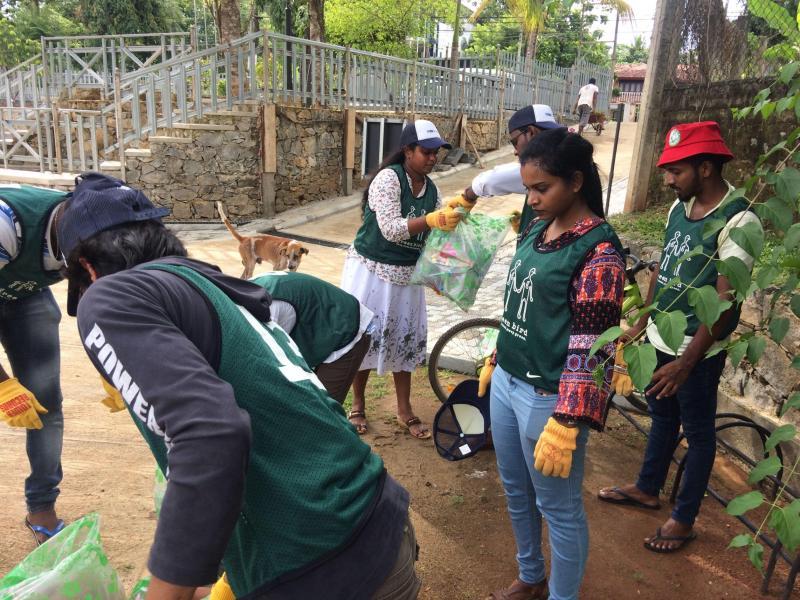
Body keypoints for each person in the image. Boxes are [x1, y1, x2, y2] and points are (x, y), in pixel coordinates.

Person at [59, 172, 419, 600]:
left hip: (320, 563)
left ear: (88, 267)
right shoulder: (216, 285)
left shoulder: (110, 295)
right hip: (378, 520)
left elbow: (210, 435)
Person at [598, 121, 763, 553]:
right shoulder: (679, 209)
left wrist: (686, 363)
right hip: (661, 338)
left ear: (706, 168)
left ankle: (684, 518)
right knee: (663, 417)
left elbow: (725, 304)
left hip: (696, 353)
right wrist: (642, 322)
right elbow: (664, 270)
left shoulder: (739, 220)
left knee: (699, 432)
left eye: (676, 170)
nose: (668, 180)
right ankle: (647, 488)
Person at [479, 129, 625, 600]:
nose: (533, 199)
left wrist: (569, 418)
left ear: (576, 182)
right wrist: (498, 355)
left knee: (558, 508)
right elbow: (521, 304)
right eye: (528, 189)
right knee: (516, 490)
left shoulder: (599, 252)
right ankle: (530, 576)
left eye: (542, 188)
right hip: (508, 381)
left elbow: (593, 346)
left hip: (549, 399)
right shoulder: (537, 229)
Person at [343, 120, 462, 438]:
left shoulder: (432, 190)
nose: (432, 158)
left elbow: (435, 237)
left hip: (406, 273)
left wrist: (442, 272)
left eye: (436, 153)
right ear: (408, 151)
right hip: (371, 270)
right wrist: (432, 219)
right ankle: (358, 404)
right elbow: (391, 230)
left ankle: (404, 409)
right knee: (365, 336)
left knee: (405, 336)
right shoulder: (388, 179)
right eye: (426, 152)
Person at [0, 183, 69, 545]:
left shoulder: (96, 243)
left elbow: (97, 298)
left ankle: (41, 507)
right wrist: (2, 385)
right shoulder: (5, 224)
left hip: (24, 294)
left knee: (46, 405)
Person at [252, 270, 376, 403]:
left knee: (322, 406)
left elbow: (267, 370)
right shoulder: (242, 296)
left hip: (345, 327)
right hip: (313, 324)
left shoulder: (265, 312)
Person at [449, 104, 562, 239]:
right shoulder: (560, 156)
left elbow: (492, 180)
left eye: (515, 142)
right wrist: (528, 221)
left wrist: (466, 198)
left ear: (531, 133)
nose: (515, 151)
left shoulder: (548, 167)